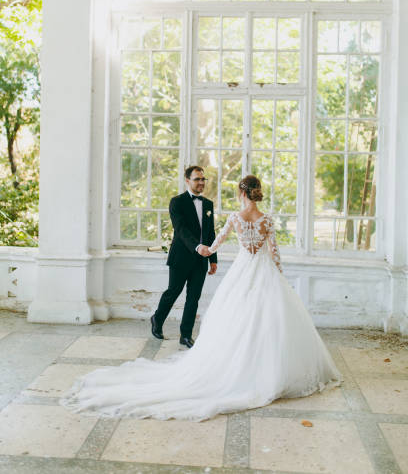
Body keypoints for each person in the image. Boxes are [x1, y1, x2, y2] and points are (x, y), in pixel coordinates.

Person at [60, 175, 342, 422]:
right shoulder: (267, 219)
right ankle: (272, 370)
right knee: (271, 319)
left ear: (242, 194)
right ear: (256, 192)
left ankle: (234, 364)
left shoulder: (235, 218)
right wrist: (278, 274)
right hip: (265, 271)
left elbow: (216, 241)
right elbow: (275, 252)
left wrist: (206, 251)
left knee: (235, 317)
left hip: (242, 272)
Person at [151, 165, 217, 348]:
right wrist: (197, 247)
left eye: (203, 179)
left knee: (193, 298)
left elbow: (210, 233)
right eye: (197, 179)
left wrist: (213, 259)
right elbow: (180, 230)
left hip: (202, 260)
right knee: (173, 291)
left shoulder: (209, 205)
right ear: (187, 180)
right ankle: (157, 318)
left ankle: (186, 335)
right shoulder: (177, 202)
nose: (201, 182)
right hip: (181, 257)